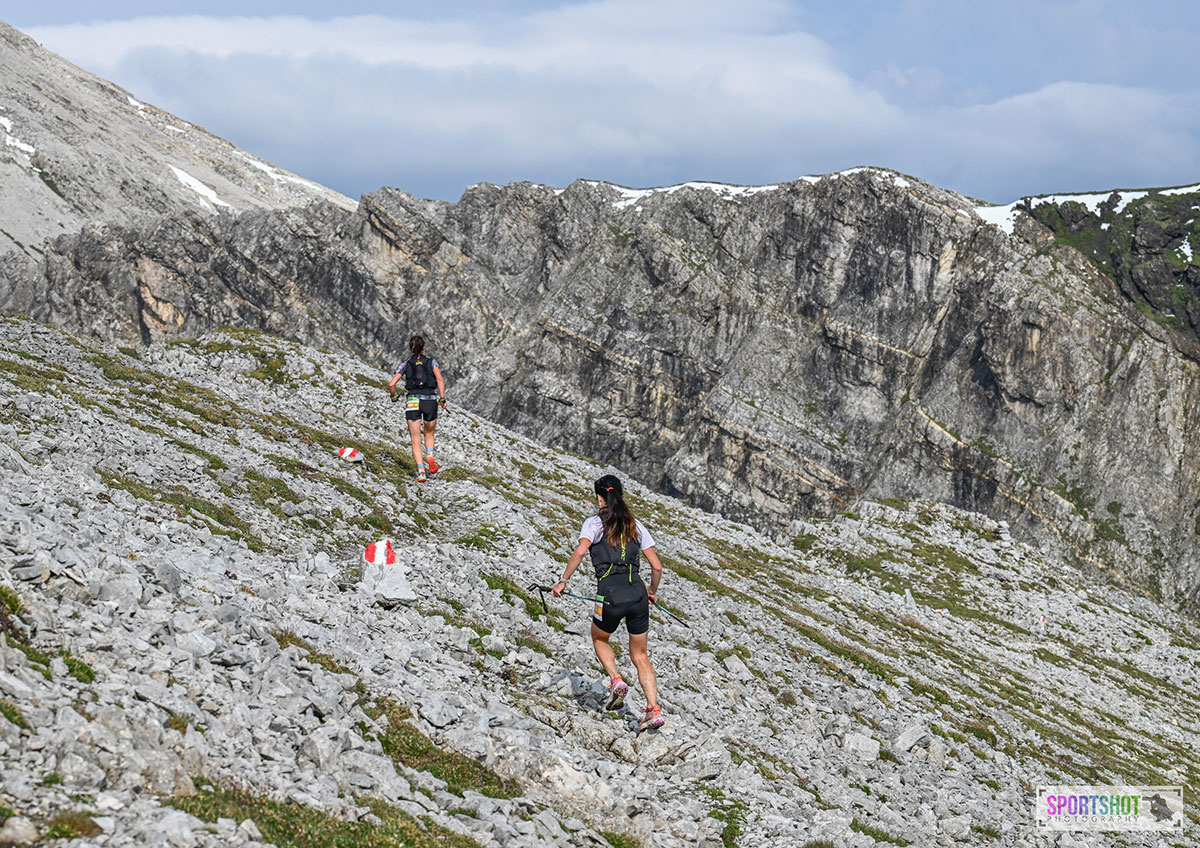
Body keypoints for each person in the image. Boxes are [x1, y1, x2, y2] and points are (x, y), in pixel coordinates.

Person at [553, 474, 666, 730]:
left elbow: (581, 551)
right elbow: (657, 567)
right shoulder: (635, 525)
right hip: (637, 594)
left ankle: (616, 680)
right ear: (621, 496)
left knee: (599, 638)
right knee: (641, 655)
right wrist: (652, 591)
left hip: (610, 596)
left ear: (599, 497)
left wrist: (562, 581)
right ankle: (653, 710)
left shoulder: (593, 523)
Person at [387, 336, 445, 483]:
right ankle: (430, 456)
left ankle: (421, 472)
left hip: (413, 400)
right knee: (429, 432)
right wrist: (442, 398)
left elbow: (391, 384)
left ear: (410, 348)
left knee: (415, 439)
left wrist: (393, 397)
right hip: (430, 400)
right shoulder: (432, 362)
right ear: (424, 347)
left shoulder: (405, 364)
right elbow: (439, 379)